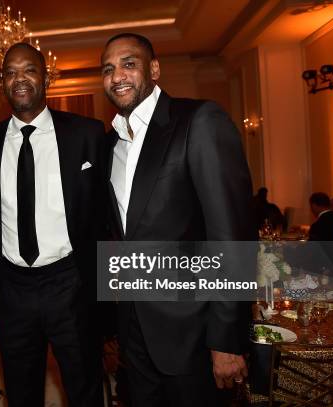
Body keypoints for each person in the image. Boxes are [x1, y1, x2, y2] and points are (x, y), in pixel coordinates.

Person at [101, 33, 254, 406]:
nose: (117, 75)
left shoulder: (199, 120)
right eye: (108, 69)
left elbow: (231, 236)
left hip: (194, 334)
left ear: (154, 69)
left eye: (128, 64)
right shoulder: (111, 143)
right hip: (134, 333)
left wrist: (226, 340)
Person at [0, 43, 106, 407]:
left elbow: (105, 215)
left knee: (84, 389)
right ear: (2, 82)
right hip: (12, 290)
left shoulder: (87, 134)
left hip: (71, 284)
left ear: (45, 76)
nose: (19, 79)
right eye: (10, 72)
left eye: (29, 69)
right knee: (20, 392)